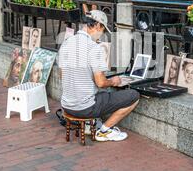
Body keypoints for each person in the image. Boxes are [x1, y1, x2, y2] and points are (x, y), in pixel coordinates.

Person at [58, 10, 140, 142]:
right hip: (84, 108)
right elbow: (101, 82)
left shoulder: (66, 42)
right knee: (133, 96)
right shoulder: (94, 48)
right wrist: (113, 81)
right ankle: (104, 131)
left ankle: (93, 124)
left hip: (66, 105)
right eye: (102, 30)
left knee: (100, 95)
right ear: (97, 26)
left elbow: (62, 74)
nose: (101, 35)